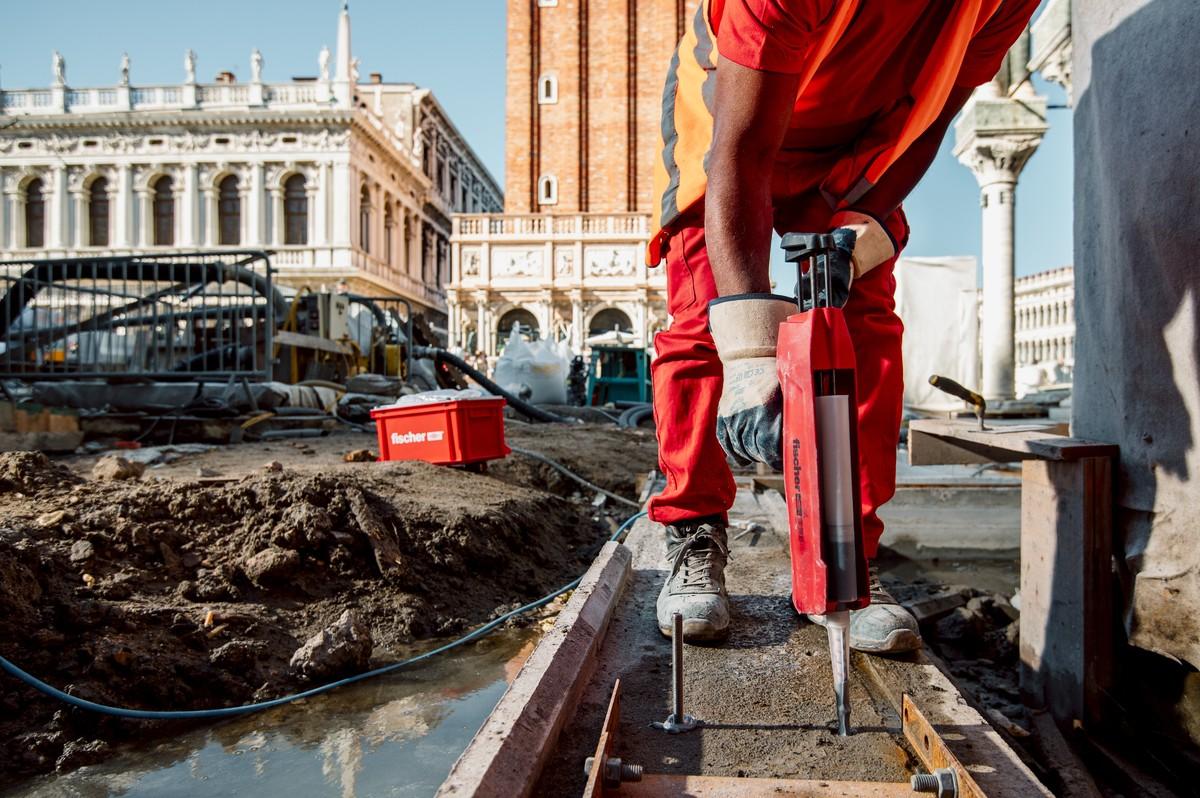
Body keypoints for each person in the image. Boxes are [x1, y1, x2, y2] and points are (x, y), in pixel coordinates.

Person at [648, 0, 1039, 650]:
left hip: (858, 148)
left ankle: (844, 561)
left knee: (861, 330)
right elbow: (738, 160)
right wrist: (749, 354)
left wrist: (867, 222)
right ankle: (694, 527)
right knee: (703, 313)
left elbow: (932, 117)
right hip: (732, 123)